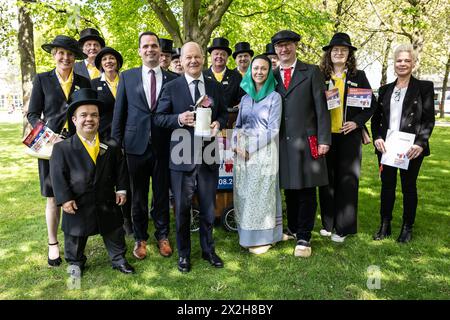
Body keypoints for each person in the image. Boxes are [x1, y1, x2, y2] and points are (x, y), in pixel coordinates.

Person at [154, 41, 228, 273]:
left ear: (203, 59)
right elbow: (158, 117)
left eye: (197, 57)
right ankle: (184, 254)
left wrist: (219, 122)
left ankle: (208, 250)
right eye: (188, 58)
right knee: (183, 208)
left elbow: (224, 113)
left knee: (208, 207)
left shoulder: (214, 87)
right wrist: (179, 118)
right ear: (182, 61)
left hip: (208, 154)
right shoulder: (172, 87)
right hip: (181, 154)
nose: (193, 61)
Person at [50, 88, 135, 275]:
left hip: (106, 200)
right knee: (75, 237)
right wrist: (65, 199)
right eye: (83, 115)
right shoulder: (62, 149)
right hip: (78, 203)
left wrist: (121, 189)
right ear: (74, 120)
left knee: (114, 231)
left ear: (99, 119)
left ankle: (118, 258)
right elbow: (57, 176)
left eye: (94, 115)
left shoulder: (111, 145)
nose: (89, 119)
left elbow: (120, 169)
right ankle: (75, 262)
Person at [111, 31, 177, 260]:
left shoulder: (172, 79)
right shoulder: (127, 78)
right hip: (134, 146)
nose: (150, 49)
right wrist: (115, 145)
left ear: (160, 50)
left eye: (154, 46)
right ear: (139, 51)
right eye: (146, 46)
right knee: (137, 196)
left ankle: (162, 236)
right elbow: (119, 112)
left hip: (163, 146)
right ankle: (140, 238)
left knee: (161, 195)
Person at [27, 35, 91, 267]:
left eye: (70, 54)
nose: (65, 57)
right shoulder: (42, 79)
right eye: (60, 53)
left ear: (75, 57)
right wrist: (45, 133)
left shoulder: (84, 81)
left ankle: (76, 243)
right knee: (54, 197)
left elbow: (89, 111)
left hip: (76, 146)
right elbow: (33, 114)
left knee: (78, 192)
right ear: (54, 54)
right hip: (49, 147)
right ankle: (53, 244)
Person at [272, 30, 331, 258]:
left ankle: (305, 236)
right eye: (279, 46)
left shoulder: (312, 71)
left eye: (287, 45)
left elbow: (321, 108)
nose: (283, 50)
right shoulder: (273, 75)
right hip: (282, 142)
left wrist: (324, 139)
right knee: (289, 187)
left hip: (308, 140)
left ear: (295, 46)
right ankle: (293, 228)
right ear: (275, 50)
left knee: (306, 188)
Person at [371, 44, 435, 243]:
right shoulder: (384, 90)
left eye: (407, 60)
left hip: (411, 147)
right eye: (399, 60)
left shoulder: (424, 87)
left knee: (409, 186)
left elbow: (428, 119)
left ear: (413, 64)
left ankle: (407, 228)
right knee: (387, 186)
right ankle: (385, 224)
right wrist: (377, 137)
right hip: (387, 146)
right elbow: (376, 119)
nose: (403, 64)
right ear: (394, 63)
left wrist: (420, 143)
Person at [318, 33, 376, 243]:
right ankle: (328, 223)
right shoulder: (321, 76)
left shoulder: (358, 76)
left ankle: (343, 228)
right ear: (329, 54)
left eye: (343, 50)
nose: (339, 53)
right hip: (326, 136)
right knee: (327, 181)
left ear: (349, 54)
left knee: (347, 180)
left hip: (348, 136)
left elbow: (371, 104)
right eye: (335, 50)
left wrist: (357, 123)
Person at [232, 55, 283, 254]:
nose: (259, 72)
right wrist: (236, 142)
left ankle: (264, 237)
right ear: (250, 72)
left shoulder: (274, 97)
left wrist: (250, 148)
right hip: (241, 153)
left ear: (269, 72)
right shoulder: (245, 98)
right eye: (255, 69)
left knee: (262, 195)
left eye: (263, 68)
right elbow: (237, 125)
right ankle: (246, 235)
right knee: (244, 194)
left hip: (263, 151)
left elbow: (273, 129)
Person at [91, 46, 133, 236]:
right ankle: (111, 216)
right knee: (108, 176)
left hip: (128, 136)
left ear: (117, 62)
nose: (108, 61)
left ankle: (128, 219)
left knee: (127, 177)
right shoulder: (94, 84)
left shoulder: (128, 80)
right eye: (104, 59)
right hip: (105, 138)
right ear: (100, 63)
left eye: (112, 58)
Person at [203, 37, 245, 109]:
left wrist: (242, 103)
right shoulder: (202, 75)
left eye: (223, 54)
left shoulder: (236, 76)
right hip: (207, 117)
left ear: (227, 57)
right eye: (216, 54)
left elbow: (243, 97)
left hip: (231, 117)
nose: (219, 56)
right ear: (211, 56)